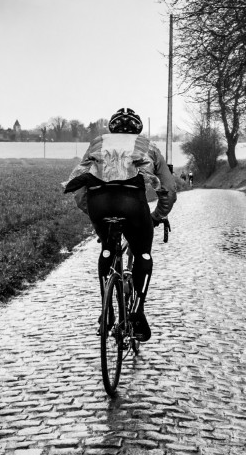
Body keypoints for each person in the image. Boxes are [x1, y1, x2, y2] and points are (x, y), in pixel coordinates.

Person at [63, 108, 176, 342]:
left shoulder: (97, 144)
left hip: (99, 204)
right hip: (133, 204)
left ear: (111, 129)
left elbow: (78, 187)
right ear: (138, 129)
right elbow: (169, 190)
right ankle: (137, 312)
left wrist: (95, 215)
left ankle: (107, 314)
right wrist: (157, 215)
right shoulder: (149, 147)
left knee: (107, 249)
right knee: (143, 253)